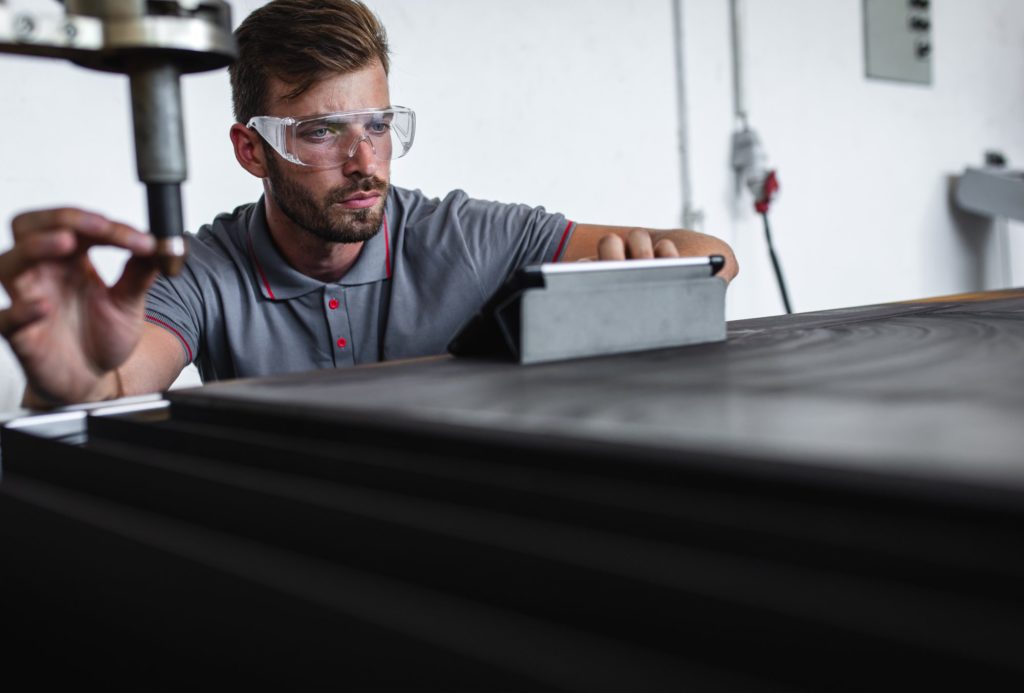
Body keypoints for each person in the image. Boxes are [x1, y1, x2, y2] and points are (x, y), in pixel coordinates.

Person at [0, 0, 737, 409]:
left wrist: (646, 269)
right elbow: (120, 382)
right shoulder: (204, 270)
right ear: (252, 150)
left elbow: (716, 260)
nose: (364, 164)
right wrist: (73, 384)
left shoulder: (465, 236)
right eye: (322, 132)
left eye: (378, 126)